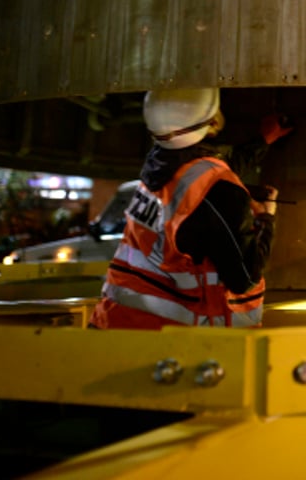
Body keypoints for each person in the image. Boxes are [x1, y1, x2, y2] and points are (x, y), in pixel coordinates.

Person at [89, 88, 294, 330]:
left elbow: (209, 169)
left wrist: (262, 141)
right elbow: (244, 279)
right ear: (214, 121)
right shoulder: (222, 192)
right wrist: (266, 220)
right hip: (176, 342)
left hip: (116, 324)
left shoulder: (158, 168)